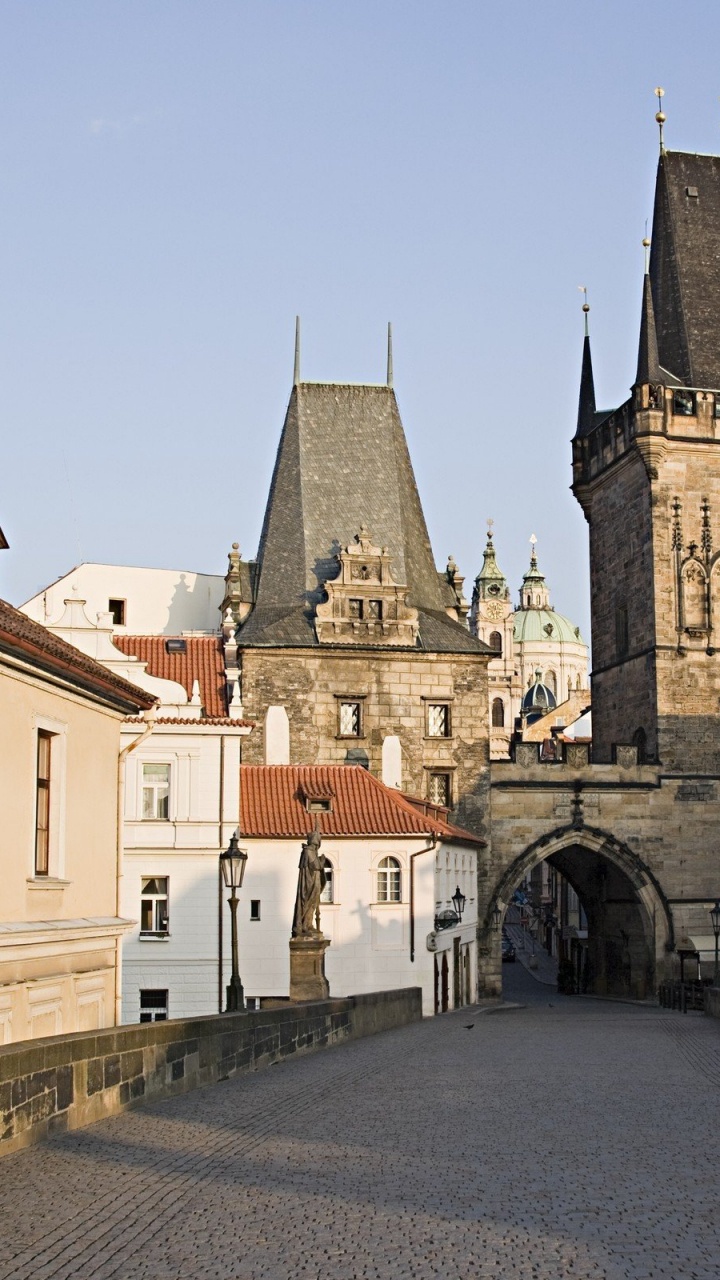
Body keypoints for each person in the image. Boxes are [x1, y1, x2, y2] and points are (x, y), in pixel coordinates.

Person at [292, 827, 327, 937]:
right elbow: (316, 865)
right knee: (308, 902)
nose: (317, 845)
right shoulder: (308, 851)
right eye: (317, 843)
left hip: (314, 881)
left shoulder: (311, 852)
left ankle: (309, 924)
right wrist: (322, 860)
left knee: (313, 903)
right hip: (309, 883)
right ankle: (304, 925)